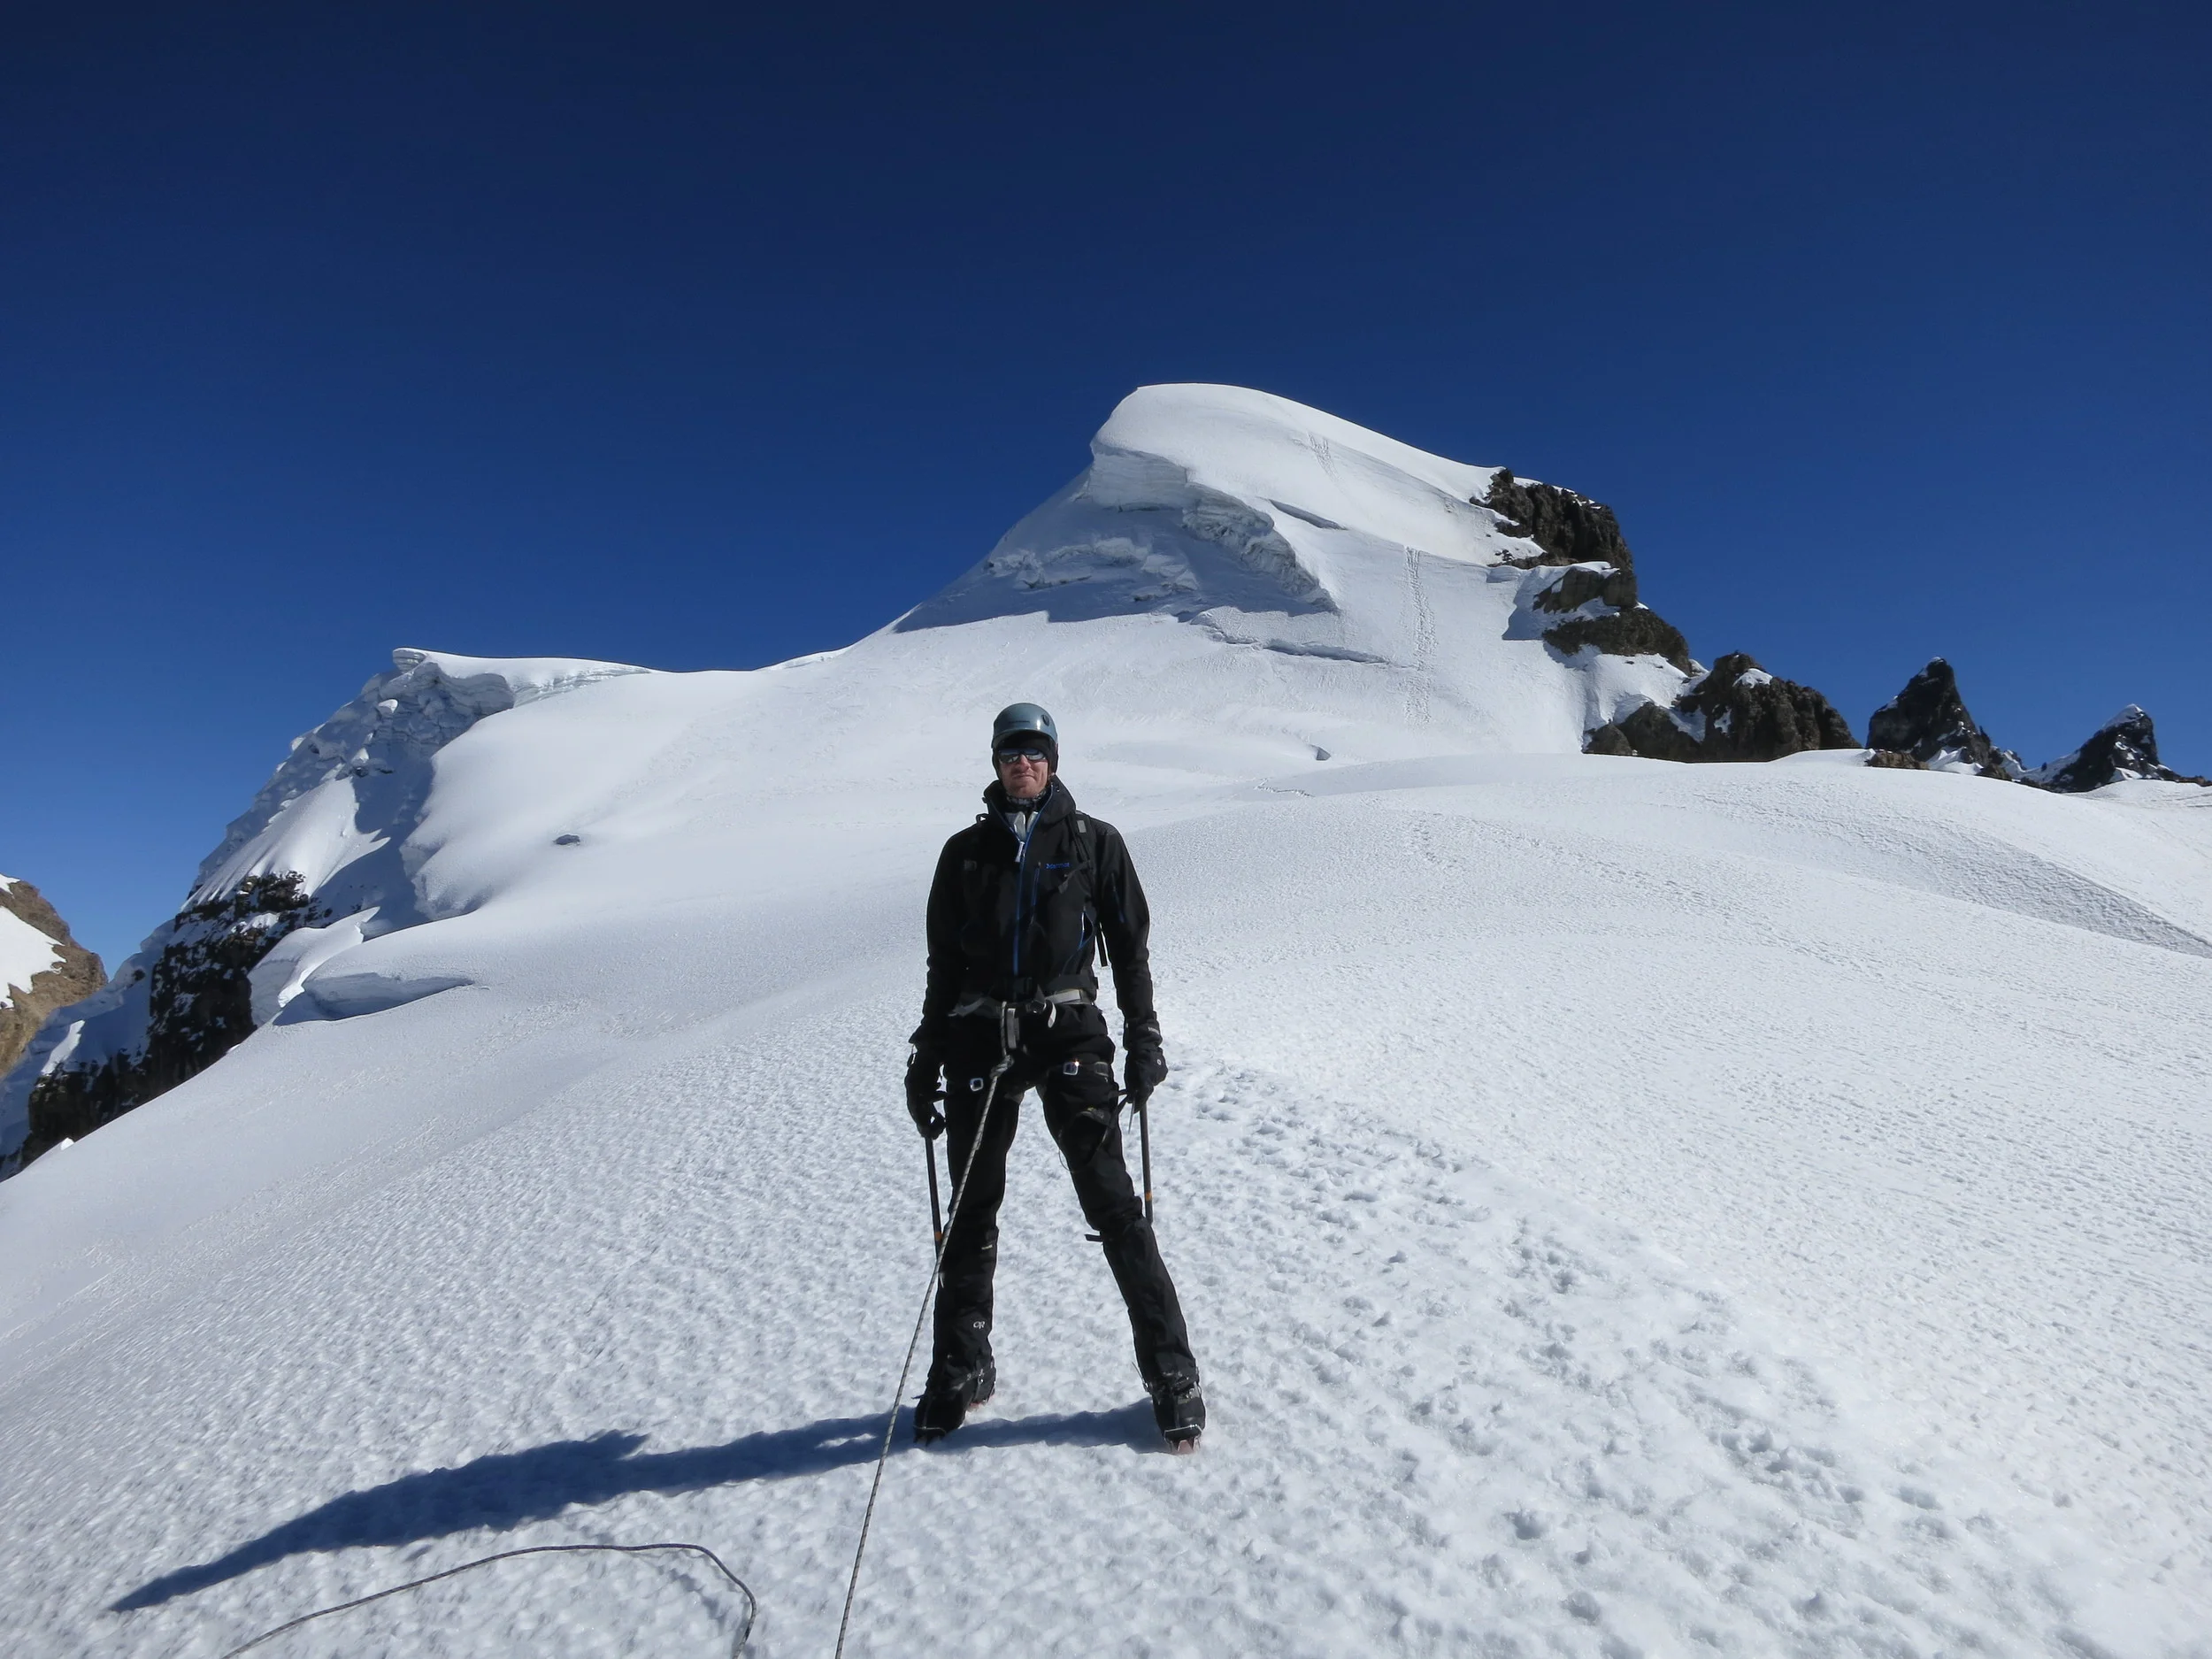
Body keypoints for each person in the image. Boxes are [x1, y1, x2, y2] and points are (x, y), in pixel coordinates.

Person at [904, 703, 1204, 1450]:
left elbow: (1130, 950)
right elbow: (944, 964)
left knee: (1114, 1204)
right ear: (996, 763)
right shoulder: (963, 853)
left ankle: (1172, 1373)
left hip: (1069, 1029)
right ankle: (961, 1365)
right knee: (971, 1210)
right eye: (1012, 753)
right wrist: (927, 1053)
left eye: (1035, 753)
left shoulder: (1094, 842)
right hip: (980, 1037)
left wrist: (1144, 1037)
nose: (1023, 764)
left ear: (1055, 760)